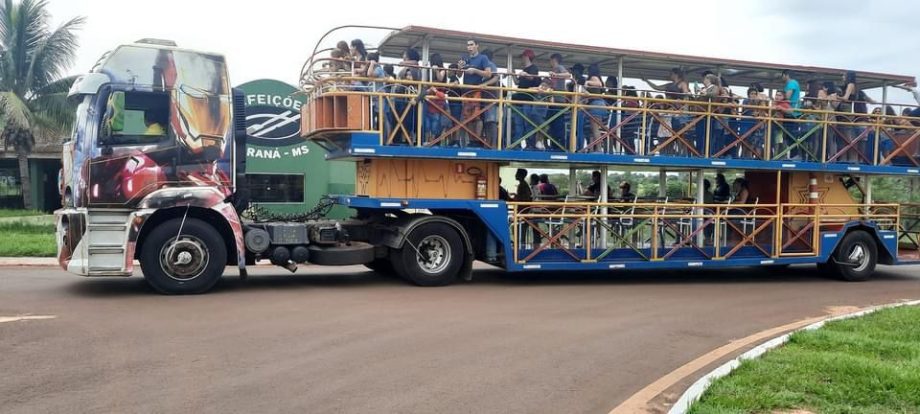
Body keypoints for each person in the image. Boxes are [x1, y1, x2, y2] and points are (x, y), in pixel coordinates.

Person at [458, 39, 492, 148]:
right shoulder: (464, 58)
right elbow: (459, 75)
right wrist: (460, 68)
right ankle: (472, 140)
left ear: (477, 45)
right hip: (466, 91)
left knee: (476, 117)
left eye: (471, 45)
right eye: (468, 45)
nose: (469, 47)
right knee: (467, 117)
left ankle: (477, 140)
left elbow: (488, 74)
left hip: (477, 91)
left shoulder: (483, 58)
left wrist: (475, 71)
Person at [512, 49, 543, 150]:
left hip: (527, 99)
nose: (521, 58)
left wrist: (525, 74)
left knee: (528, 123)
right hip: (519, 99)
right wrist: (513, 74)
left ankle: (530, 144)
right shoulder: (524, 69)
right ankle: (517, 144)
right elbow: (517, 82)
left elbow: (533, 78)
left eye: (522, 56)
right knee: (518, 123)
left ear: (526, 57)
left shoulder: (533, 68)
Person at [547, 53, 571, 150]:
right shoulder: (553, 70)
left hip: (559, 101)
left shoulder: (559, 68)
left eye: (550, 60)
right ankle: (553, 145)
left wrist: (556, 75)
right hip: (553, 101)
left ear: (554, 60)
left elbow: (568, 75)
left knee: (558, 125)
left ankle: (559, 146)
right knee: (552, 125)